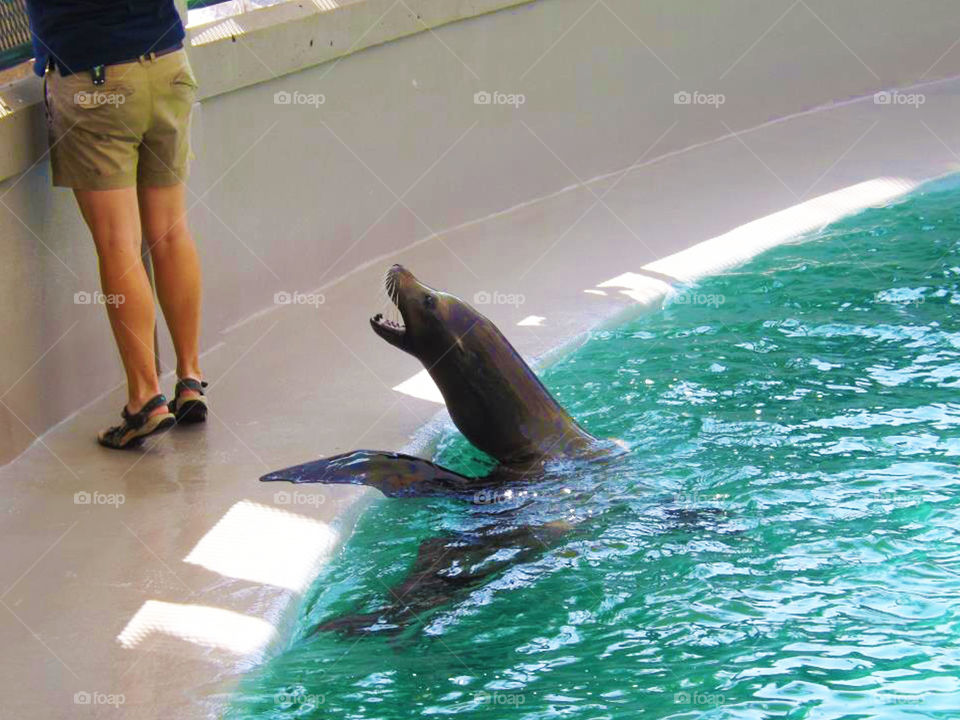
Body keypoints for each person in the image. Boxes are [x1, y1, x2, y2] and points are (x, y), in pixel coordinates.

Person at [25, 1, 209, 448]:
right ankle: (189, 379)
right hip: (167, 63)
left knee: (118, 245)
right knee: (170, 231)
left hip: (95, 76)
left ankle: (145, 398)